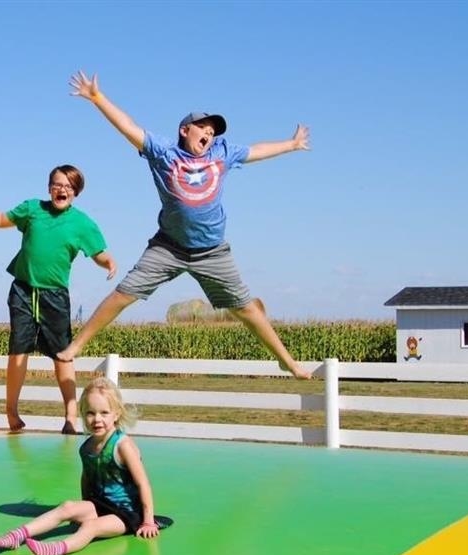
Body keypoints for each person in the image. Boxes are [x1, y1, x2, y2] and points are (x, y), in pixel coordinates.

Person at [56, 70, 313, 380]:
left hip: (212, 251)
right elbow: (129, 128)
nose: (209, 134)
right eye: (203, 127)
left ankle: (286, 360)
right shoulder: (164, 153)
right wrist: (98, 98)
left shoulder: (222, 153)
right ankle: (77, 346)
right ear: (184, 130)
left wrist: (291, 144)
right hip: (169, 246)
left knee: (246, 308)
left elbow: (257, 150)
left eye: (213, 131)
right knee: (123, 294)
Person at [0, 165, 117, 433]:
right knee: (18, 352)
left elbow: (99, 253)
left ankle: (69, 415)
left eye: (68, 186)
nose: (62, 189)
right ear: (49, 188)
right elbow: (0, 220)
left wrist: (109, 263)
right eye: (57, 184)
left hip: (55, 296)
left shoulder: (82, 223)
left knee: (63, 355)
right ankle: (11, 412)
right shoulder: (32, 209)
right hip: (23, 289)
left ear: (75, 192)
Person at [0, 377, 159, 555]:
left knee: (91, 527)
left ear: (116, 414)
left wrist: (148, 521)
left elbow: (143, 483)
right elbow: (87, 479)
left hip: (128, 513)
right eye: (90, 413)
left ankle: (55, 549)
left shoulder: (122, 446)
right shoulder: (86, 448)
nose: (97, 419)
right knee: (67, 507)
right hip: (101, 505)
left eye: (104, 413)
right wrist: (81, 508)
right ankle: (17, 535)